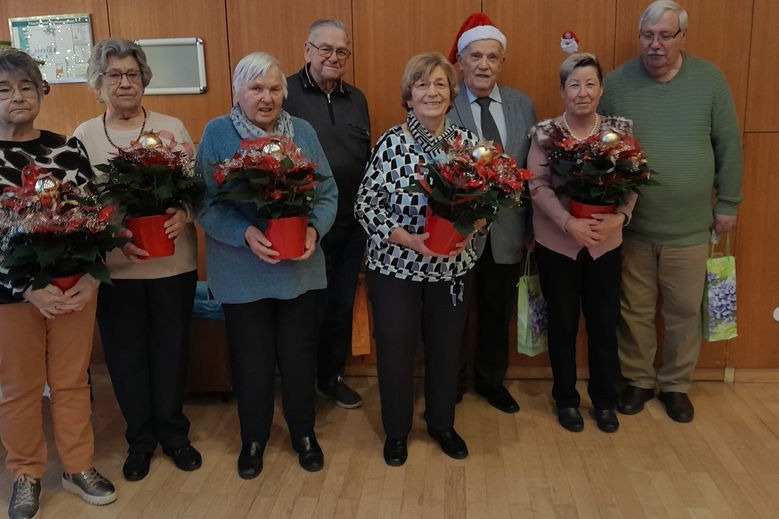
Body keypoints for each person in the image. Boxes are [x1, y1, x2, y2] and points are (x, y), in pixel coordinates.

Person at [598, 0, 743, 423]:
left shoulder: (710, 80)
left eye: (665, 35)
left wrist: (729, 202)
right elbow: (601, 149)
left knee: (683, 311)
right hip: (633, 225)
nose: (655, 45)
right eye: (648, 36)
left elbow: (729, 145)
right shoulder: (618, 83)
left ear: (682, 37)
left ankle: (676, 385)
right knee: (635, 310)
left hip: (691, 227)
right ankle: (639, 381)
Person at [197, 51, 337, 478]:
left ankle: (304, 434)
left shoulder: (305, 132)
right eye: (256, 88)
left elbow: (327, 190)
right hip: (242, 273)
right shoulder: (218, 133)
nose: (266, 97)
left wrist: (314, 229)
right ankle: (253, 439)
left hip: (299, 269)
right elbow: (203, 201)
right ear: (238, 92)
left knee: (299, 357)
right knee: (252, 360)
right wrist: (244, 234)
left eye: (274, 89)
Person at [73, 38, 201, 482]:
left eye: (131, 74)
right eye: (114, 75)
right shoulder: (84, 136)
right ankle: (140, 441)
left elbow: (196, 190)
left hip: (173, 263)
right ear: (99, 83)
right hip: (119, 268)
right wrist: (113, 236)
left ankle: (175, 434)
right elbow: (78, 207)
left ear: (144, 79)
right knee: (127, 356)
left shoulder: (173, 125)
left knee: (172, 350)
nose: (124, 83)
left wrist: (184, 214)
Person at [0, 48, 116, 519]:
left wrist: (92, 276)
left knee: (70, 382)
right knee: (19, 388)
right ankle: (26, 473)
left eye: (27, 86)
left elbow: (95, 218)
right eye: (5, 89)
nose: (18, 97)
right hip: (11, 295)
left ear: (42, 91)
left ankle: (77, 466)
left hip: (73, 289)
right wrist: (27, 288)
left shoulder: (66, 148)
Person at [355, 53, 481, 467]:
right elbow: (366, 205)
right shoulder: (391, 143)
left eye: (440, 84)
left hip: (450, 269)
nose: (432, 92)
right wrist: (407, 238)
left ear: (451, 94)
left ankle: (443, 423)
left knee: (447, 350)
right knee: (396, 351)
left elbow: (487, 203)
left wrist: (473, 228)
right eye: (422, 84)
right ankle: (396, 431)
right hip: (395, 268)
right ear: (409, 95)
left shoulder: (465, 144)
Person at [528, 53, 636, 433]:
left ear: (601, 89)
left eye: (590, 84)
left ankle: (604, 400)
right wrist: (568, 222)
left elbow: (632, 180)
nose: (582, 92)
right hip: (559, 244)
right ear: (562, 91)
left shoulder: (618, 131)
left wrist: (620, 218)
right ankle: (566, 399)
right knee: (563, 324)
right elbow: (537, 185)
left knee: (604, 324)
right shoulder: (545, 133)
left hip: (606, 244)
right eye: (574, 84)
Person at [446, 13, 536, 413]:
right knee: (453, 314)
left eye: (492, 57)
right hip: (458, 232)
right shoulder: (443, 102)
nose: (484, 65)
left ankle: (491, 381)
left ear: (501, 63)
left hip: (507, 232)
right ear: (461, 63)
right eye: (476, 56)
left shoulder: (522, 105)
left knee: (497, 312)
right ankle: (450, 383)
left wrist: (531, 226)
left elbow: (532, 170)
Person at [283, 19, 371, 409]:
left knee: (339, 307)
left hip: (351, 225)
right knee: (305, 310)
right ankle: (297, 386)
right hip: (303, 226)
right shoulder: (283, 93)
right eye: (325, 49)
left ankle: (330, 378)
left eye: (342, 51)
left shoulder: (358, 99)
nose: (334, 57)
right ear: (307, 50)